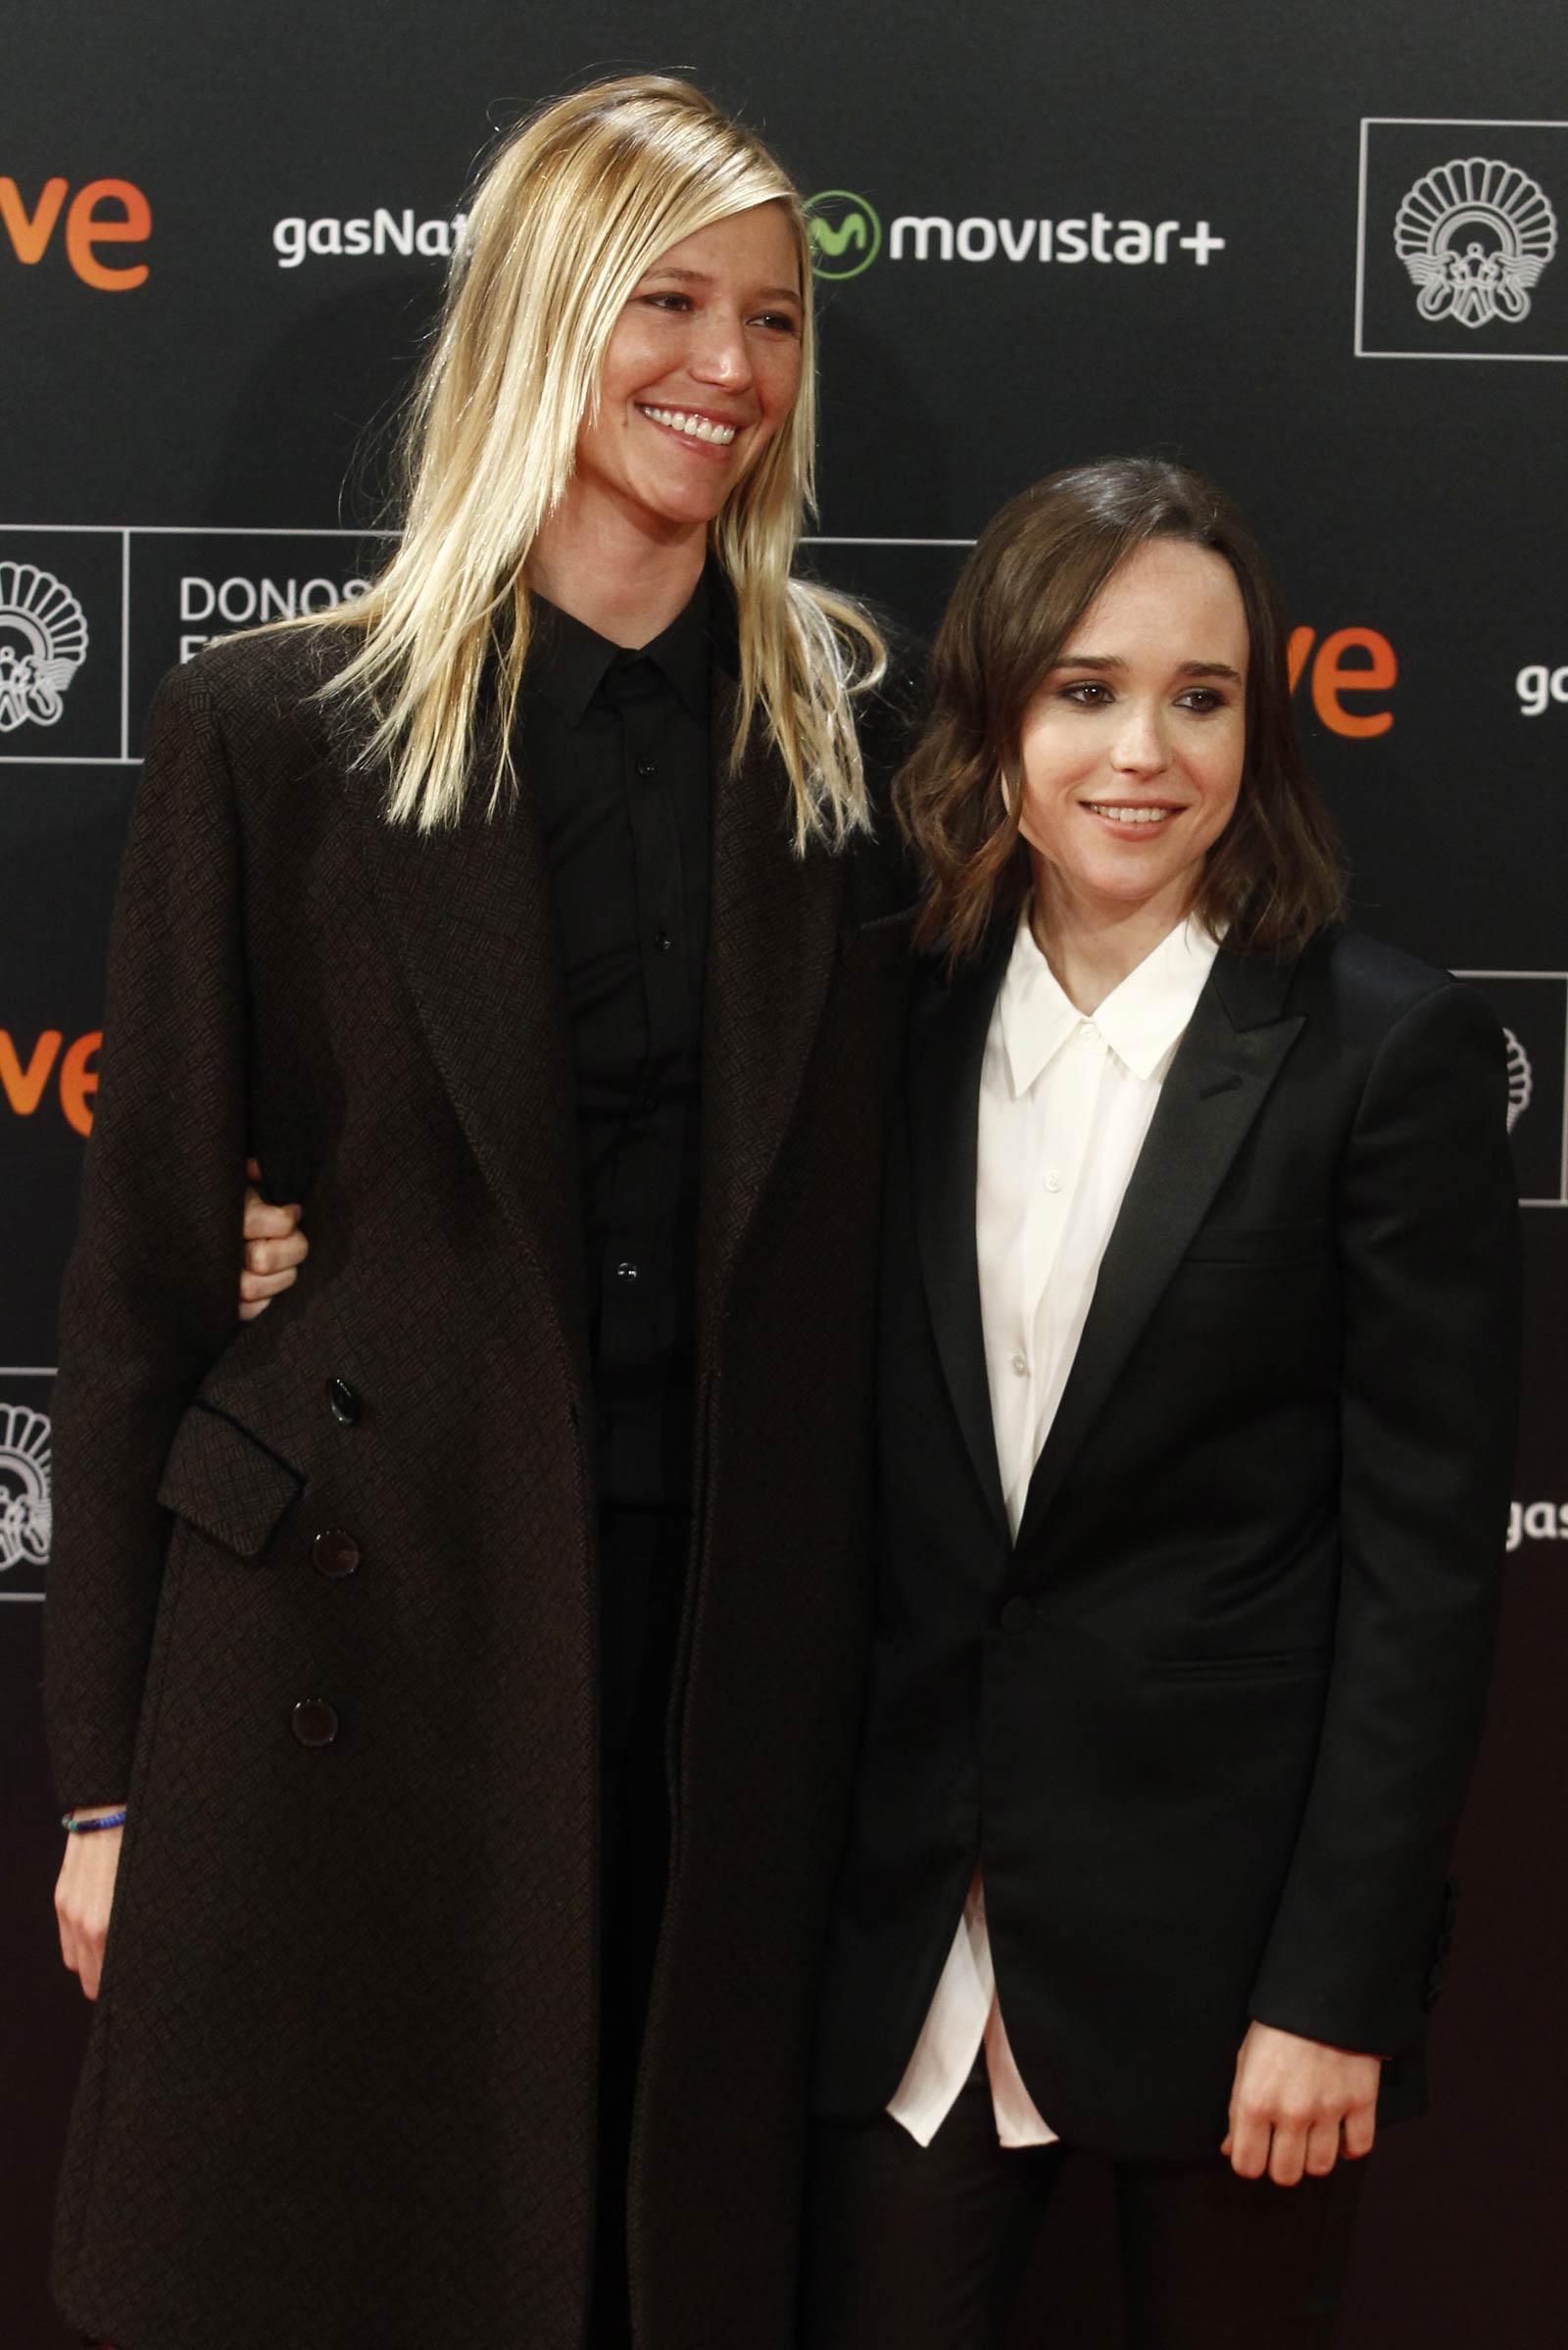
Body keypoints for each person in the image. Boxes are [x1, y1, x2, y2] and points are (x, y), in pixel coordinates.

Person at [45, 74, 914, 2350]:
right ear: (541, 312)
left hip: (711, 1642)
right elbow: (144, 1283)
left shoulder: (834, 743)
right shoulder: (275, 725)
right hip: (360, 1636)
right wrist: (111, 1791)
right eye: (667, 300)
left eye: (773, 318)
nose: (727, 369)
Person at [802, 459, 1521, 2346]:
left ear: (1257, 727)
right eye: (1086, 690)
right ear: (1000, 714)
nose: (1145, 752)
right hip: (908, 1959)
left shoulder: (1383, 1051)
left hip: (1233, 1980)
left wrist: (1337, 1986)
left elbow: (1427, 1574)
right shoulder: (887, 1017)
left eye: (1201, 696)